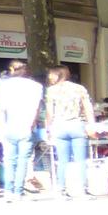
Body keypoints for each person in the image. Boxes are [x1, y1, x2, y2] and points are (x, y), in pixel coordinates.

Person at [0, 60, 45, 203]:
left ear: (11, 70)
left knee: (9, 160)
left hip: (8, 126)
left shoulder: (3, 87)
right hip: (26, 126)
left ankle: (8, 191)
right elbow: (37, 109)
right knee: (23, 161)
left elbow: (0, 109)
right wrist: (32, 124)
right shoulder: (36, 86)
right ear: (26, 71)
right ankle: (18, 191)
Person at [42, 66, 98, 199]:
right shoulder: (79, 88)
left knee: (62, 161)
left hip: (59, 126)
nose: (49, 77)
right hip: (77, 125)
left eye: (51, 75)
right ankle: (82, 190)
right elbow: (88, 109)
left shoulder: (51, 91)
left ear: (58, 75)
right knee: (80, 160)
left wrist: (48, 128)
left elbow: (49, 113)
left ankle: (61, 190)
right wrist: (92, 126)